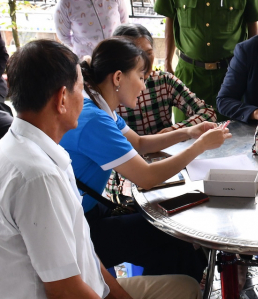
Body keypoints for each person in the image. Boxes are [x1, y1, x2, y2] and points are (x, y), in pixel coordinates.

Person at [0, 39, 202, 299]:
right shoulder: (39, 178)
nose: (84, 100)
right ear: (62, 98)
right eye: (80, 89)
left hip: (91, 282)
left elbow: (84, 252)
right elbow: (64, 289)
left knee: (183, 279)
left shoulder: (23, 148)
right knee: (184, 282)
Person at [59, 37, 231, 282]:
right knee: (174, 237)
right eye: (140, 76)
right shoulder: (95, 119)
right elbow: (148, 178)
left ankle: (176, 287)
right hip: (77, 231)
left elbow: (139, 143)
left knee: (170, 242)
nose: (143, 86)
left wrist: (188, 133)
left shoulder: (98, 104)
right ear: (118, 77)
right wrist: (199, 147)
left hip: (88, 212)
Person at [114, 23, 217, 135]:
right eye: (136, 55)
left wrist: (174, 131)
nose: (144, 61)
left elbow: (207, 112)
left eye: (148, 54)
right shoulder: (111, 89)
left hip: (166, 151)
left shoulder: (164, 80)